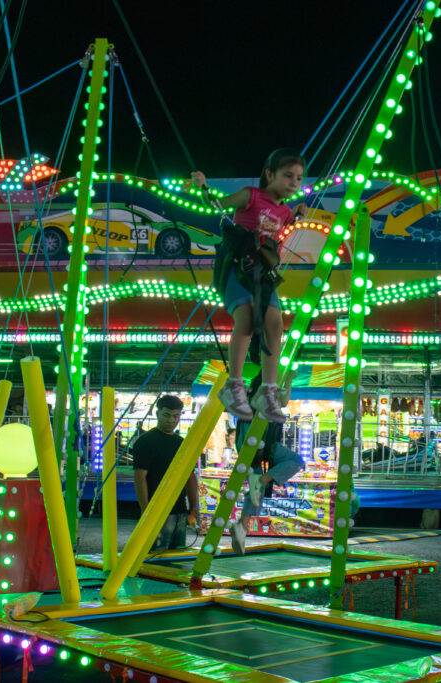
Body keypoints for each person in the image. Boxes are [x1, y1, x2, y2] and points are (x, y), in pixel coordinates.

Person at [192, 149, 307, 425]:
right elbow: (217, 204)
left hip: (263, 272)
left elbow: (287, 224)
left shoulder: (285, 211)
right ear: (270, 174)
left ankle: (267, 392)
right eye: (288, 175)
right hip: (236, 267)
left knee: (275, 324)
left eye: (299, 178)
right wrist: (203, 187)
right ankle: (233, 386)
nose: (294, 182)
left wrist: (299, 213)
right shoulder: (250, 195)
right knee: (246, 318)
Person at [230, 373, 302, 554]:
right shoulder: (266, 395)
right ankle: (264, 479)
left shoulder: (246, 398)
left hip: (245, 444)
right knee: (296, 460)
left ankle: (242, 526)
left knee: (256, 489)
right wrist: (288, 380)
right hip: (261, 443)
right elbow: (284, 401)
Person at [132, 395, 199, 550]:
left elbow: (190, 477)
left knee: (177, 560)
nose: (171, 420)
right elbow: (139, 478)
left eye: (175, 416)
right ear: (157, 414)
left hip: (180, 510)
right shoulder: (145, 442)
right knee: (154, 558)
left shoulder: (182, 443)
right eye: (166, 415)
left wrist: (193, 509)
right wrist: (145, 510)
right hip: (157, 511)